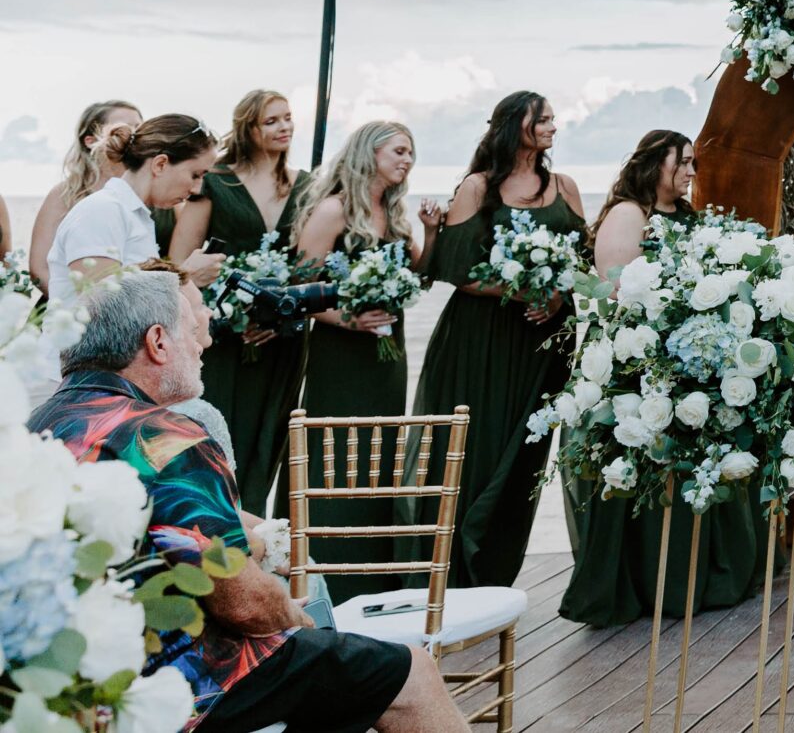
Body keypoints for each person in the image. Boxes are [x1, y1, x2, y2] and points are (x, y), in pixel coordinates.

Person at [31, 266, 469, 733]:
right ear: (157, 342)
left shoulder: (38, 425)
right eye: (190, 331)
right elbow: (242, 603)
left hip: (63, 676)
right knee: (411, 673)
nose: (204, 344)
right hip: (180, 681)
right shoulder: (165, 438)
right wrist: (296, 617)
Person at [562, 130, 765, 627]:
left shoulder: (688, 215)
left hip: (687, 350)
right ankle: (647, 578)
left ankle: (703, 571)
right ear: (656, 164)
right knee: (644, 453)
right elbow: (614, 290)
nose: (693, 173)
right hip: (638, 356)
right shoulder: (630, 213)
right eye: (685, 164)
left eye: (694, 164)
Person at [413, 90, 586, 588]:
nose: (553, 126)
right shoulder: (477, 187)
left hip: (546, 339)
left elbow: (581, 258)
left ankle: (496, 572)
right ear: (516, 126)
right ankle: (454, 571)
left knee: (526, 455)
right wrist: (517, 291)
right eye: (544, 119)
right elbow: (454, 268)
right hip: (481, 339)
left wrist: (556, 297)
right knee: (479, 450)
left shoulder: (565, 186)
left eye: (554, 118)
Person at [293, 120, 436, 580]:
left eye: (410, 153)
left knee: (381, 452)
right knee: (335, 451)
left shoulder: (394, 214)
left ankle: (376, 570)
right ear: (367, 153)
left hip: (387, 358)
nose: (406, 160)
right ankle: (328, 568)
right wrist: (349, 320)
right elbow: (300, 287)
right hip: (340, 355)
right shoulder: (334, 210)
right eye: (397, 151)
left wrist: (431, 233)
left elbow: (420, 277)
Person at [171, 89, 311, 513]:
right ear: (248, 128)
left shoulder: (305, 185)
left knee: (268, 441)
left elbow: (309, 267)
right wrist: (228, 313)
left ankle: (258, 534)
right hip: (224, 339)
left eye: (287, 118)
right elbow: (179, 262)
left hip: (280, 340)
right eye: (271, 121)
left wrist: (279, 316)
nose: (284, 126)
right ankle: (219, 531)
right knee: (220, 436)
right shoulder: (216, 182)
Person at [50, 113, 222, 301]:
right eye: (196, 175)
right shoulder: (102, 211)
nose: (197, 188)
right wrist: (186, 278)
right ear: (160, 164)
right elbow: (99, 304)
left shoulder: (135, 215)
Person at [27, 98, 140, 294]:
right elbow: (39, 268)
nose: (135, 136)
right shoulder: (65, 194)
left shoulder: (158, 195)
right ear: (90, 140)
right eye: (125, 128)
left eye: (139, 128)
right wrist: (75, 311)